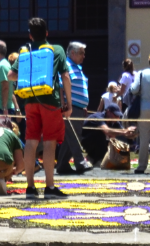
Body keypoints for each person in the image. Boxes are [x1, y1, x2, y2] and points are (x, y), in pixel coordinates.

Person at [13, 18, 72, 196]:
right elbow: (66, 77)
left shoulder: (26, 51)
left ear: (30, 35)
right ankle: (50, 187)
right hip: (50, 102)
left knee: (31, 141)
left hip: (30, 101)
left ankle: (30, 187)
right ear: (47, 33)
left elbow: (10, 75)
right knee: (49, 143)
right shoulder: (57, 50)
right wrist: (68, 103)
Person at [56, 40, 92, 174]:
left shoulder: (78, 68)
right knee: (74, 136)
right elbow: (61, 86)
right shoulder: (66, 66)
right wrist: (64, 105)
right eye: (81, 53)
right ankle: (80, 162)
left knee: (70, 137)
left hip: (79, 108)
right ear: (72, 53)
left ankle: (62, 165)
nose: (84, 56)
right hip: (71, 108)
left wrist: (84, 105)